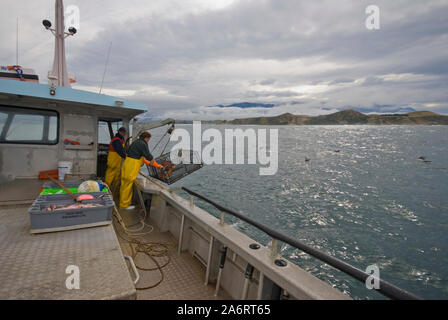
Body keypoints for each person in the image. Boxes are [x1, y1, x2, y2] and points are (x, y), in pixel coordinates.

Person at [119, 131, 163, 209]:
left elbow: (142, 157)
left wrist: (154, 164)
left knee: (124, 184)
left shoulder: (136, 142)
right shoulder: (142, 143)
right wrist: (152, 160)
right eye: (149, 139)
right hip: (132, 165)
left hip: (127, 163)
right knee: (128, 184)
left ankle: (123, 202)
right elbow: (147, 154)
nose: (148, 140)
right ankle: (124, 205)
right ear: (146, 138)